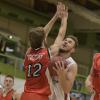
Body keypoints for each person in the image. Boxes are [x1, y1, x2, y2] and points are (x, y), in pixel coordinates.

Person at [20, 2, 67, 100]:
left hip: (25, 95)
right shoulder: (47, 53)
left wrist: (55, 16)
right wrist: (64, 19)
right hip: (39, 96)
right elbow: (61, 35)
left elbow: (41, 34)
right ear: (43, 39)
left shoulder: (28, 52)